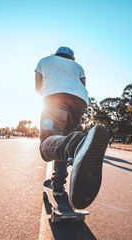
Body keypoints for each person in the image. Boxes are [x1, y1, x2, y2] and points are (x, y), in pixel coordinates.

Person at [35, 46, 109, 209]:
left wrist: (49, 100)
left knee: (47, 143)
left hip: (54, 99)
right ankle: (58, 185)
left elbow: (38, 88)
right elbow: (82, 86)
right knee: (62, 142)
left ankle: (79, 143)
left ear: (56, 54)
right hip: (79, 102)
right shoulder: (78, 67)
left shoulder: (44, 60)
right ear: (72, 58)